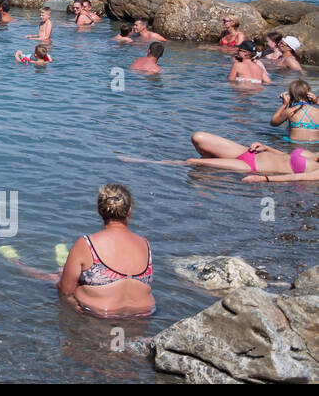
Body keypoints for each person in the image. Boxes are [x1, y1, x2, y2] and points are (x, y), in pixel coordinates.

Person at [57, 184, 155, 317]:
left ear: (99, 210)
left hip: (98, 317)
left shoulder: (86, 244)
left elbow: (65, 290)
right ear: (130, 211)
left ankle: (20, 264)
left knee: (56, 279)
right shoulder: (145, 244)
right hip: (142, 317)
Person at [187, 133, 316, 177]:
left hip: (250, 166)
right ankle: (211, 167)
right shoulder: (314, 154)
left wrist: (265, 179)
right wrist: (267, 148)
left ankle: (166, 165)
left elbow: (292, 179)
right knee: (198, 137)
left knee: (192, 162)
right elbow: (288, 156)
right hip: (250, 152)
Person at [269, 80, 319, 145]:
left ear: (291, 96)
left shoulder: (289, 111)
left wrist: (284, 104)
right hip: (315, 144)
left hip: (294, 145)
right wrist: (317, 102)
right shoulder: (317, 111)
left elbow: (273, 123)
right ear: (309, 94)